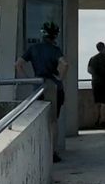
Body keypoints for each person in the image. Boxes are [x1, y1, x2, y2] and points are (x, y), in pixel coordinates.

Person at [15, 22, 68, 162]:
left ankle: (39, 150)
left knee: (39, 119)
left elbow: (18, 64)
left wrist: (28, 79)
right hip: (53, 86)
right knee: (53, 122)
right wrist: (60, 78)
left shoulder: (33, 48)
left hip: (38, 86)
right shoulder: (55, 50)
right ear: (55, 35)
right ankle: (52, 152)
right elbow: (65, 64)